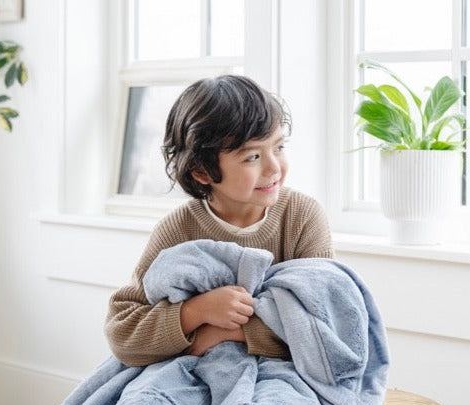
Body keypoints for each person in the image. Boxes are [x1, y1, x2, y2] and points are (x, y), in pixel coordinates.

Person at [105, 74, 334, 365]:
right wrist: (195, 312)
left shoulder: (302, 217)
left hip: (284, 376)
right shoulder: (178, 229)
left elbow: (328, 323)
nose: (274, 167)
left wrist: (229, 332)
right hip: (192, 372)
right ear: (201, 171)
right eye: (252, 157)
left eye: (278, 147)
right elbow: (122, 334)